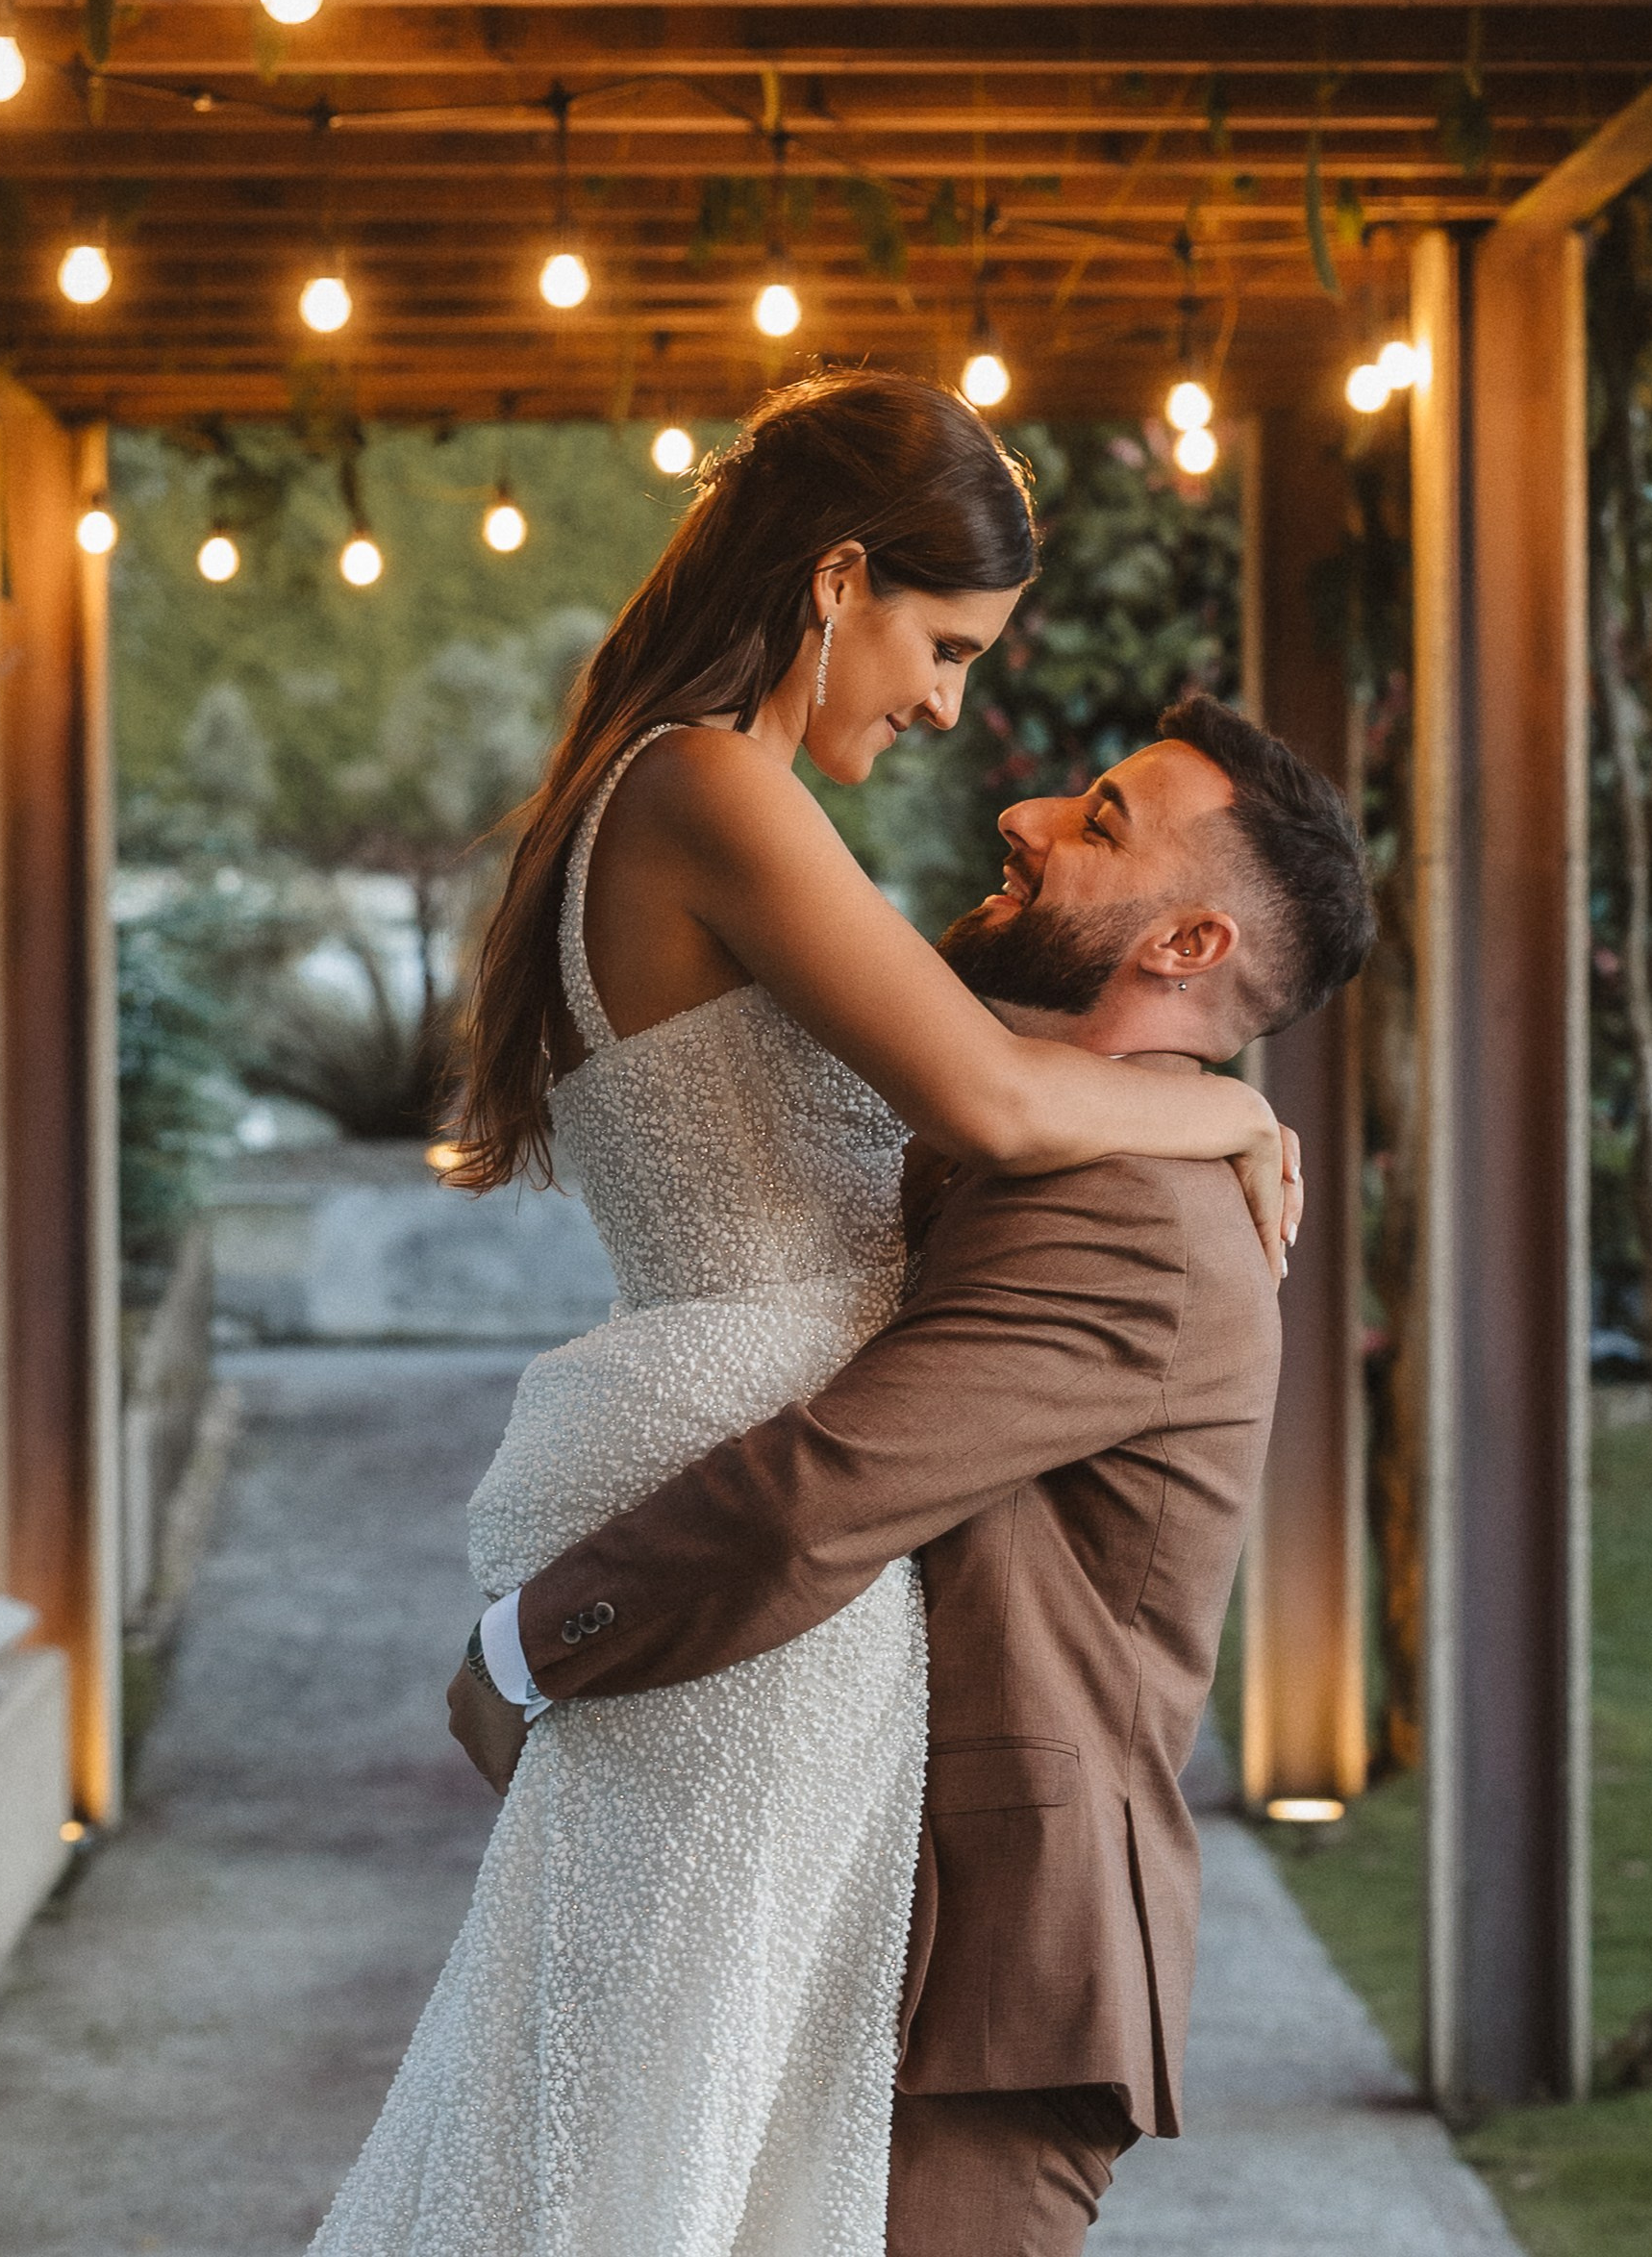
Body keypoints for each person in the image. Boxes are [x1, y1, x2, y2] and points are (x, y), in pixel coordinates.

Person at [304, 373, 1294, 2257]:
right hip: (764, 1512)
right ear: (835, 578)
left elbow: (971, 1047)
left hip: (699, 1430)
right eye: (940, 645)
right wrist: (1229, 1100)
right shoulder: (708, 789)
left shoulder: (681, 796)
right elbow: (993, 1099)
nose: (946, 705)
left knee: (677, 2090)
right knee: (677, 2124)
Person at [452, 690, 1374, 2256]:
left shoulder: (1130, 1221)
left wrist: (522, 1650)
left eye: (1098, 824)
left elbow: (826, 1489)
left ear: (1189, 948)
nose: (1020, 817)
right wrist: (1230, 1098)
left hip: (988, 1976)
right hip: (894, 1921)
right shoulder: (1093, 1147)